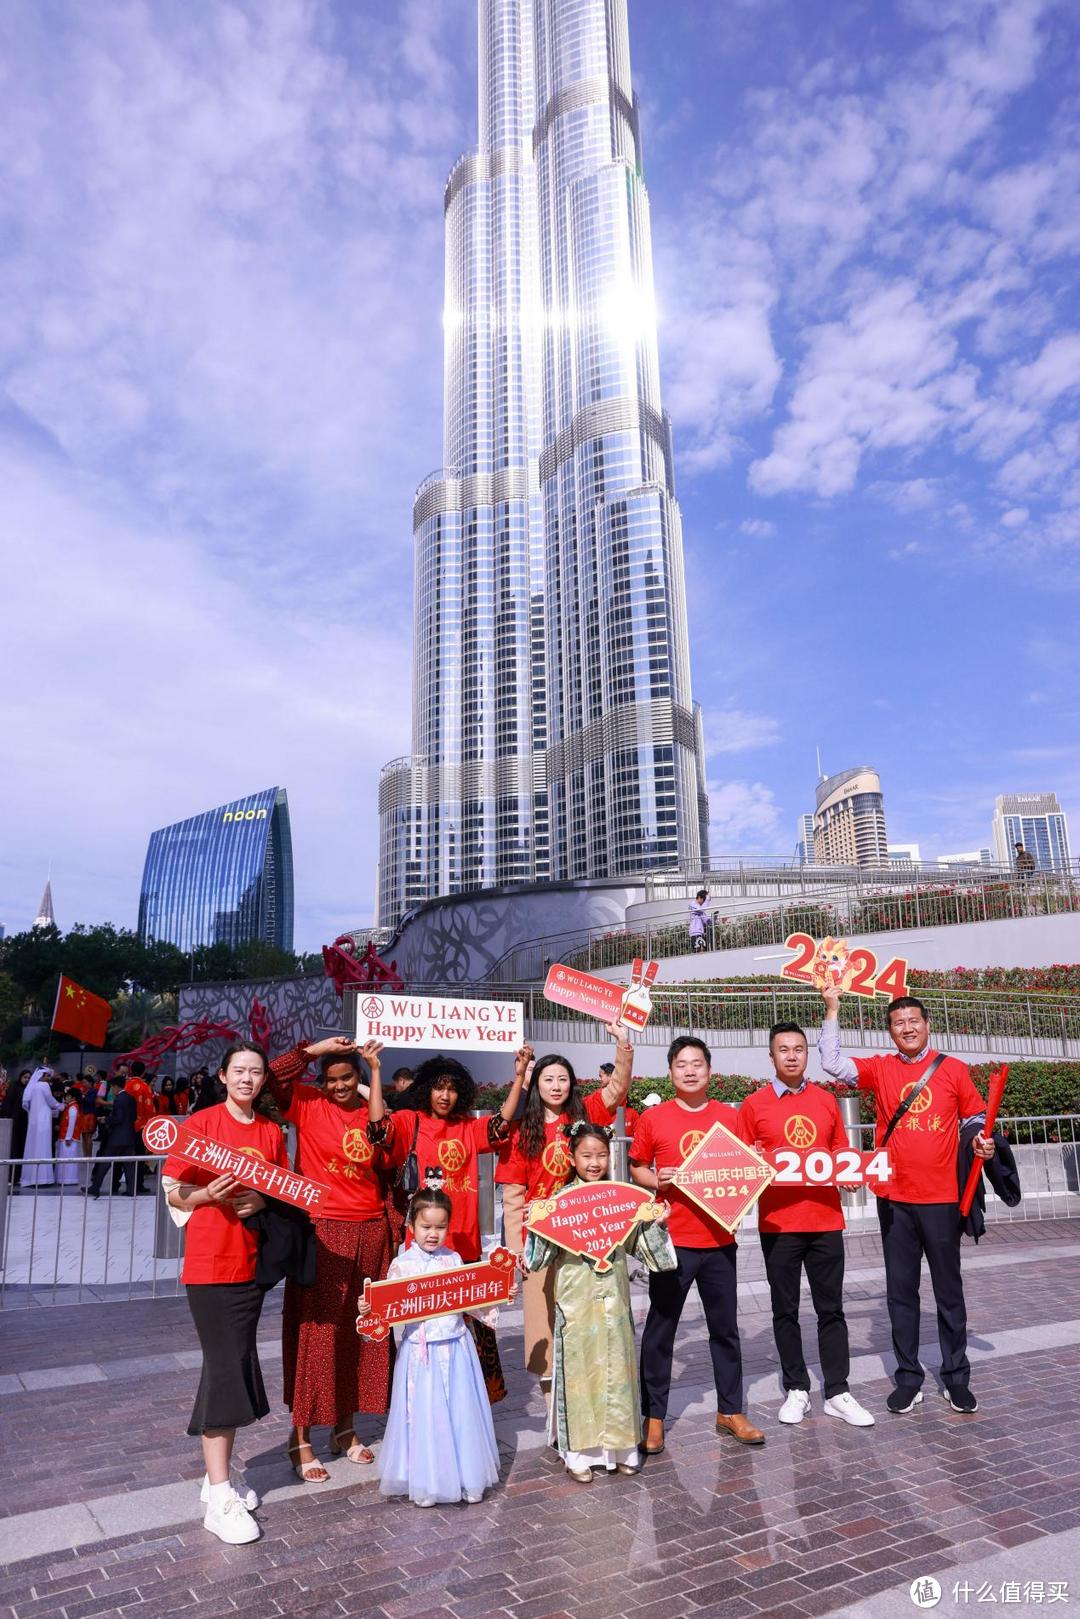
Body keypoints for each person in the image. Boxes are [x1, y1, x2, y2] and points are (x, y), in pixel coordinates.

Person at [818, 988, 995, 1414]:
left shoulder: (953, 1070)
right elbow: (831, 1063)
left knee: (948, 1292)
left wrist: (982, 1143)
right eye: (899, 1023)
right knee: (901, 1292)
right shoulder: (880, 1069)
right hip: (894, 1197)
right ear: (890, 1031)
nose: (908, 1028)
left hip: (942, 1199)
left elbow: (975, 1117)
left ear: (927, 1024)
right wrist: (832, 1009)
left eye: (914, 1020)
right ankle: (908, 1377)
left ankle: (956, 1377)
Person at [163, 1041, 287, 1545]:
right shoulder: (202, 1124)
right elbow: (173, 1189)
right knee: (226, 1367)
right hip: (211, 1264)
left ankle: (216, 1480)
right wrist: (204, 1195)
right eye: (239, 1070)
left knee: (230, 1364)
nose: (247, 1079)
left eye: (256, 1072)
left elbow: (277, 1191)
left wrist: (259, 1200)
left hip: (251, 1266)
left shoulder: (272, 1132)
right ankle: (219, 1495)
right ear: (222, 1075)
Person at [367, 1047, 530, 1403]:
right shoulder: (411, 1121)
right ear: (426, 1089)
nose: (445, 1095)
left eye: (452, 1088)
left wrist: (519, 1077)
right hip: (423, 1255)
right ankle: (428, 1407)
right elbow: (379, 1131)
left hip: (465, 1251)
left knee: (470, 1340)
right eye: (439, 1087)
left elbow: (502, 1123)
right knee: (428, 1338)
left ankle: (468, 1408)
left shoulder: (469, 1127)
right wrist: (376, 1071)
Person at [266, 1035, 395, 1482]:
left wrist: (374, 1072)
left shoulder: (373, 1110)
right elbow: (272, 1074)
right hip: (323, 1229)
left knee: (362, 1333)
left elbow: (386, 1136)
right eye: (332, 1079)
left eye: (347, 1078)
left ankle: (345, 1428)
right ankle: (299, 1436)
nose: (339, 1086)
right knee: (316, 1334)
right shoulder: (305, 1104)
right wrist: (317, 1050)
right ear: (322, 1081)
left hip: (373, 1228)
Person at [630, 1036, 764, 1453]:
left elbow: (744, 1167)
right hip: (671, 1242)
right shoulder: (654, 1118)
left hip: (720, 1239)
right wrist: (658, 1181)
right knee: (660, 1331)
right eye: (681, 1065)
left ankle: (730, 1409)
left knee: (725, 1330)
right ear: (670, 1072)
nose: (690, 1071)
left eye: (697, 1064)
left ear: (710, 1070)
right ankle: (653, 1417)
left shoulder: (730, 1116)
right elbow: (636, 1167)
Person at [522, 1121, 676, 1482]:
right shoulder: (560, 1202)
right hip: (576, 1302)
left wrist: (656, 1224)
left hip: (615, 1300)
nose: (594, 1163)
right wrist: (536, 1223)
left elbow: (648, 1251)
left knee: (618, 1369)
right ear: (572, 1157)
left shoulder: (623, 1197)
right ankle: (579, 1453)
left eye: (602, 1155)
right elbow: (538, 1260)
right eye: (586, 1155)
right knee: (580, 1372)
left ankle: (622, 1448)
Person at [737, 1024, 874, 1428]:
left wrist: (849, 1169)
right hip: (778, 1223)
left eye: (799, 1048)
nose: (792, 1055)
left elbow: (838, 1148)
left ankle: (837, 1390)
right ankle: (796, 1387)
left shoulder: (826, 1100)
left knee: (831, 1308)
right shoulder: (753, 1105)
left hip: (825, 1219)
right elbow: (742, 1158)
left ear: (806, 1055)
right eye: (784, 1049)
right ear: (772, 1056)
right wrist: (753, 1157)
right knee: (785, 1309)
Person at [497, 1024, 633, 1401]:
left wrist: (622, 1043)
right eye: (548, 1079)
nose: (556, 1086)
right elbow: (513, 1194)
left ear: (572, 1084)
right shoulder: (522, 1128)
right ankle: (551, 1400)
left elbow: (617, 1088)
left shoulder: (585, 1112)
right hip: (539, 1238)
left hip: (583, 1232)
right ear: (536, 1084)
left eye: (563, 1079)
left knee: (583, 1312)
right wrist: (516, 1248)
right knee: (542, 1317)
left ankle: (586, 1387)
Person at [360, 1188, 502, 1508]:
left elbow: (473, 1302)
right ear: (412, 1226)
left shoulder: (453, 1259)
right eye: (426, 1227)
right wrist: (370, 1309)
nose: (433, 1234)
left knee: (460, 1415)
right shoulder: (402, 1265)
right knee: (425, 1416)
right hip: (421, 1354)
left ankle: (468, 1476)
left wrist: (498, 1294)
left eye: (440, 1227)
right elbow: (386, 1310)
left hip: (455, 1347)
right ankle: (428, 1481)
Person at [87, 1076, 140, 1198]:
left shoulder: (119, 1099)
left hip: (117, 1137)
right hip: (129, 1136)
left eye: (112, 1087)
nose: (111, 1090)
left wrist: (105, 1119)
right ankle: (131, 1189)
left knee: (105, 1162)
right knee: (129, 1165)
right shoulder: (131, 1098)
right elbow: (132, 1117)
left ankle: (95, 1187)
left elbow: (118, 1118)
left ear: (116, 1086)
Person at [21, 1067, 62, 1188]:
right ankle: (42, 1178)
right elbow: (51, 1101)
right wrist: (61, 1106)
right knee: (43, 1145)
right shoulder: (44, 1086)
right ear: (42, 1076)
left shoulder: (33, 1087)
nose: (49, 1079)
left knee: (33, 1146)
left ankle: (30, 1177)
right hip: (43, 1121)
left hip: (34, 1121)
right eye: (48, 1076)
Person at [1, 1071, 31, 1186]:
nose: (27, 1080)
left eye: (29, 1077)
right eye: (25, 1077)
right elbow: (8, 1104)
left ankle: (17, 1177)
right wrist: (8, 1117)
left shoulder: (28, 1089)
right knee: (13, 1149)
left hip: (24, 1123)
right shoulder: (14, 1088)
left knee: (21, 1149)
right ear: (20, 1077)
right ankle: (10, 1177)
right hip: (15, 1122)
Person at [55, 1085, 84, 1187]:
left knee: (67, 1158)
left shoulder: (73, 1108)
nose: (65, 1098)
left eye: (67, 1096)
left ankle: (68, 1179)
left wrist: (68, 1137)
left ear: (73, 1098)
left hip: (68, 1137)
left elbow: (72, 1123)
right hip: (68, 1136)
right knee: (67, 1158)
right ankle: (66, 1178)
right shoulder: (71, 1107)